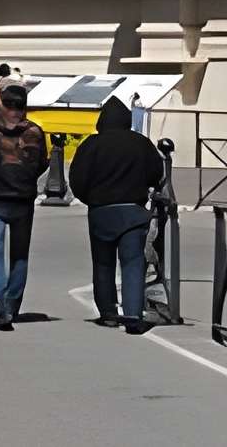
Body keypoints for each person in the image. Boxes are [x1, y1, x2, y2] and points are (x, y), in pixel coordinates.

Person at [67, 96, 165, 332]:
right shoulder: (141, 143)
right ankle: (132, 314)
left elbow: (77, 179)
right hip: (133, 210)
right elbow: (157, 173)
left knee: (103, 263)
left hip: (101, 211)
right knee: (133, 263)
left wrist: (89, 200)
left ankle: (108, 312)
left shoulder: (91, 145)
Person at [0, 77, 53, 329]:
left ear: (3, 103)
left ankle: (1, 302)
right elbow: (41, 164)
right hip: (22, 200)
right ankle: (12, 303)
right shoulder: (35, 132)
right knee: (20, 256)